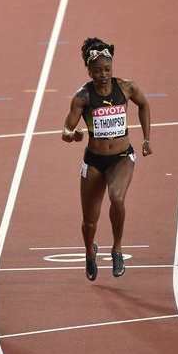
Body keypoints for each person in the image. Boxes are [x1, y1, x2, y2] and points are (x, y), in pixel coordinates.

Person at [62, 38, 152, 281]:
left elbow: (144, 105)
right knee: (90, 222)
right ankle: (90, 252)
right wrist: (74, 136)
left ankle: (117, 248)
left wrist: (146, 139)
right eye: (98, 70)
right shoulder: (83, 96)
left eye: (107, 69)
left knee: (117, 197)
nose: (103, 74)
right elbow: (65, 131)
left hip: (122, 157)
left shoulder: (126, 88)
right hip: (93, 161)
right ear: (89, 70)